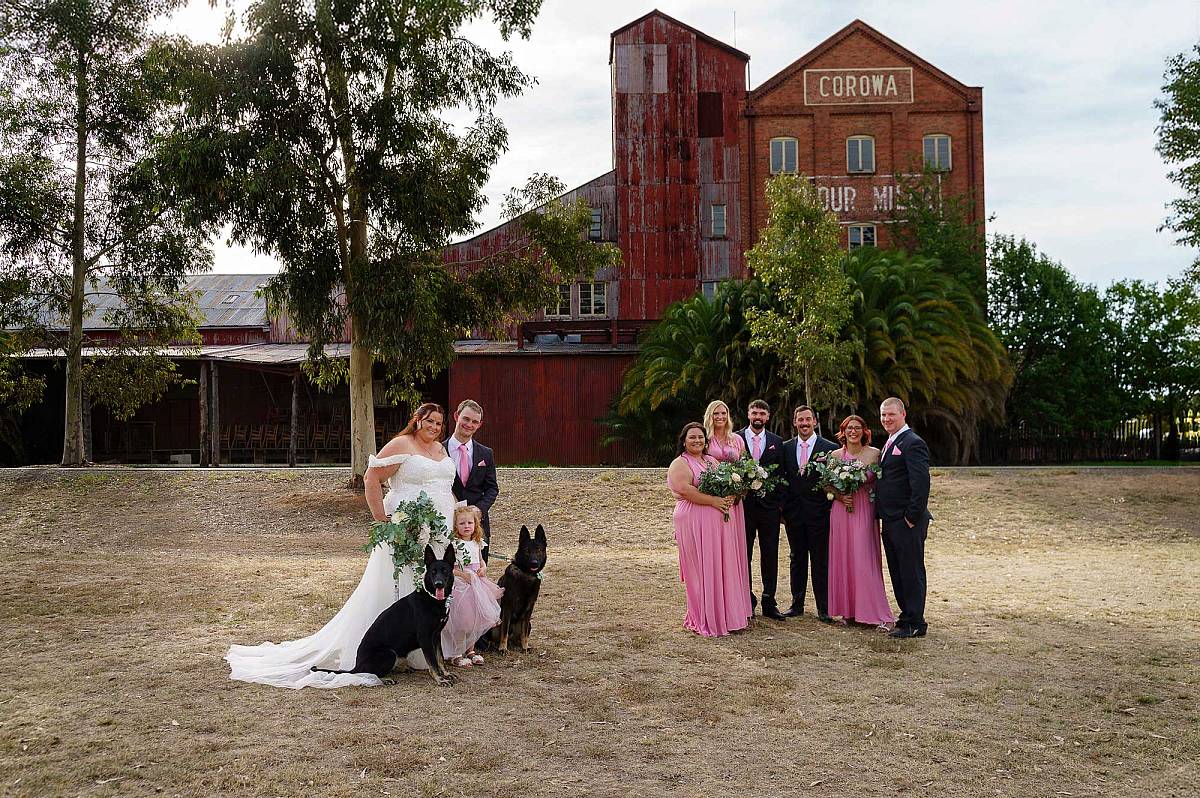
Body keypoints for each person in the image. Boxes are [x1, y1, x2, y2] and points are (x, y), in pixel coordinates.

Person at [225, 403, 457, 689]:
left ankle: (419, 651)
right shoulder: (402, 443)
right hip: (405, 530)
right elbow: (371, 477)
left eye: (438, 423)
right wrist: (384, 522)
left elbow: (444, 488)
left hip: (437, 531)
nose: (434, 427)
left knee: (426, 588)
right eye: (429, 421)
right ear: (417, 420)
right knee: (397, 586)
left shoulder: (440, 450)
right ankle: (381, 647)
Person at [667, 422, 751, 637]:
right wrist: (713, 501)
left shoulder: (711, 460)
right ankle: (705, 617)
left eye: (701, 437)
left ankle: (726, 616)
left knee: (721, 567)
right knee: (702, 570)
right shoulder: (680, 463)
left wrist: (731, 495)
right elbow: (685, 490)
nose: (697, 440)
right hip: (693, 522)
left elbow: (726, 485)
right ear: (683, 441)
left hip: (718, 526)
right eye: (692, 437)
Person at [826, 415, 896, 631]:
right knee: (844, 557)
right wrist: (838, 496)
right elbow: (826, 485)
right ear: (843, 432)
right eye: (849, 428)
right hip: (841, 511)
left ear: (864, 431)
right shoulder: (835, 455)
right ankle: (850, 610)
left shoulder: (875, 454)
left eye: (857, 428)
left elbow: (884, 482)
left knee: (864, 559)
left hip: (864, 509)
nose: (853, 431)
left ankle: (876, 613)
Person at [876, 397, 932, 639]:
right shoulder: (891, 441)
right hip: (890, 520)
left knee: (911, 571)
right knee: (898, 571)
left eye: (891, 415)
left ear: (903, 415)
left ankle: (916, 622)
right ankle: (906, 616)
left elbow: (920, 483)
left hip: (906, 521)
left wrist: (911, 516)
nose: (887, 419)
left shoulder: (912, 443)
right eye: (883, 415)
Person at [778, 405, 838, 621]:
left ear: (815, 421)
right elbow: (782, 481)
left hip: (820, 514)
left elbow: (833, 481)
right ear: (794, 422)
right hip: (793, 515)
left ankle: (824, 608)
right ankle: (797, 604)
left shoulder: (830, 448)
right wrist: (783, 510)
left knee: (821, 560)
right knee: (797, 558)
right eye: (800, 420)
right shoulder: (785, 448)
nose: (804, 423)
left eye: (807, 419)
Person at [736, 399, 786, 620]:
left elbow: (782, 475)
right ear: (748, 414)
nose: (758, 417)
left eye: (762, 413)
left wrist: (780, 506)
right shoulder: (735, 439)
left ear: (768, 416)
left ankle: (769, 600)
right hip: (743, 508)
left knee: (769, 554)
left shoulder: (777, 441)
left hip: (769, 509)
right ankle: (746, 600)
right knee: (742, 555)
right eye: (754, 412)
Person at [442, 504, 503, 667]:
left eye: (470, 523)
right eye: (462, 523)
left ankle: (471, 649)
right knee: (464, 620)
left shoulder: (477, 542)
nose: (466, 526)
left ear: (476, 524)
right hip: (461, 586)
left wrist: (483, 568)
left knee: (476, 618)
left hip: (478, 584)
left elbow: (481, 561)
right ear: (456, 526)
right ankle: (457, 652)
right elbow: (450, 568)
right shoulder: (454, 544)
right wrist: (464, 575)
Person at [444, 400, 499, 562]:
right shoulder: (439, 450)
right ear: (456, 416)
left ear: (479, 425)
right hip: (447, 521)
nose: (469, 424)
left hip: (476, 525)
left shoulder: (486, 453)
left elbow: (492, 489)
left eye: (475, 421)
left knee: (478, 570)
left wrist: (479, 510)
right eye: (466, 419)